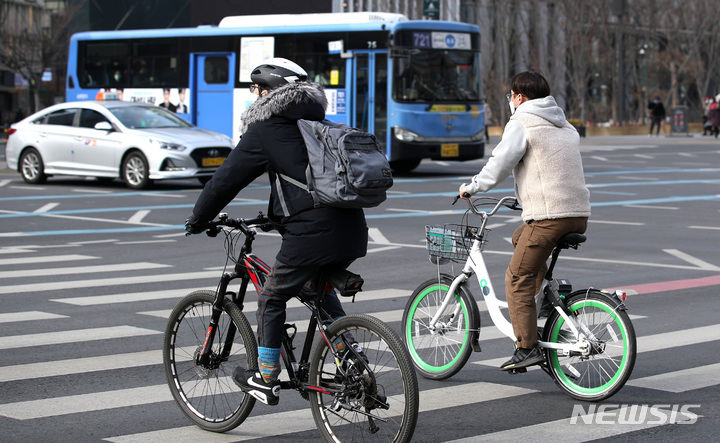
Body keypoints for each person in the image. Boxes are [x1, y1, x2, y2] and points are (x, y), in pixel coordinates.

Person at [184, 58, 368, 406]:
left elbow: (225, 180)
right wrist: (278, 216)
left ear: (268, 93)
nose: (253, 98)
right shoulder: (318, 123)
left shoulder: (266, 130)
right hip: (352, 227)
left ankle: (266, 377)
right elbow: (304, 180)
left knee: (271, 297)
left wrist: (198, 218)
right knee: (319, 289)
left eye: (255, 91)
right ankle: (351, 359)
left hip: (312, 233)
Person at [458, 70, 590, 372]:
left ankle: (526, 347)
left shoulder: (522, 121)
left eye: (511, 96)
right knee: (521, 237)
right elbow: (552, 168)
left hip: (550, 216)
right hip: (577, 214)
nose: (510, 101)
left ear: (519, 96)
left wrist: (472, 186)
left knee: (517, 278)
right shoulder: (564, 123)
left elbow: (500, 164)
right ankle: (547, 297)